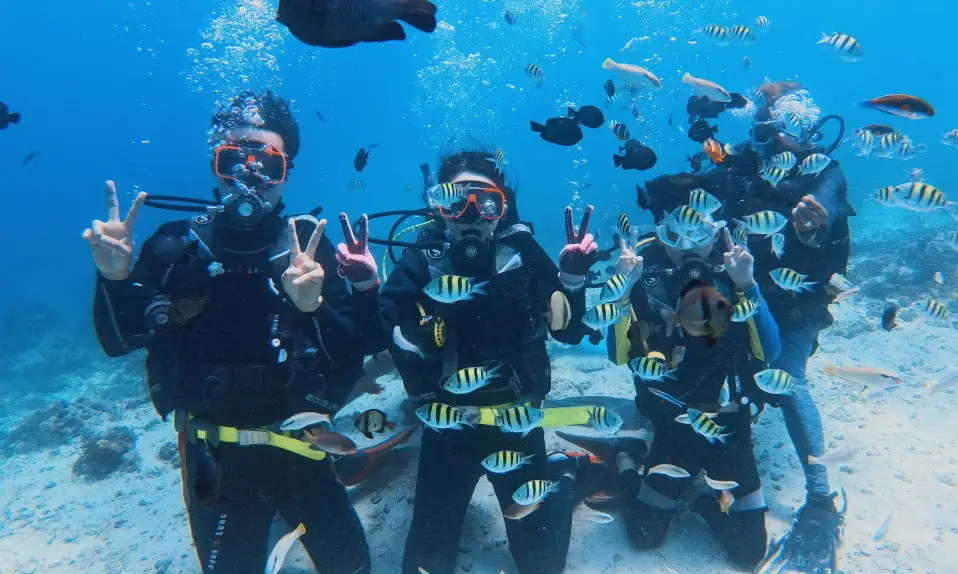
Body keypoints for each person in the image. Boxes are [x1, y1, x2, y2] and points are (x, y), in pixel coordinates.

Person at [86, 89, 383, 574]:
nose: (250, 175)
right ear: (215, 167)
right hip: (211, 452)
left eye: (268, 164)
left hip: (302, 444)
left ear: (286, 173)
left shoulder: (307, 245)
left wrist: (313, 307)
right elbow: (119, 342)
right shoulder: (176, 244)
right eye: (233, 159)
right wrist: (113, 279)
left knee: (350, 566)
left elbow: (353, 348)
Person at [377, 149, 596, 574]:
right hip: (446, 432)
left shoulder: (523, 253)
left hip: (517, 424)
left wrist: (571, 280)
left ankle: (566, 477)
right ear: (439, 209)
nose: (472, 214)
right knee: (425, 565)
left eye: (487, 201)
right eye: (457, 201)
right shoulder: (424, 258)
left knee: (542, 565)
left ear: (502, 207)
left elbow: (567, 331)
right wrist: (365, 284)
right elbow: (379, 324)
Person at [695, 81, 855, 570]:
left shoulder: (822, 170)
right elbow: (705, 197)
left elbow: (827, 202)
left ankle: (822, 499)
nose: (770, 137)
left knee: (786, 379)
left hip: (794, 308)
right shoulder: (742, 163)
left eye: (778, 126)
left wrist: (816, 220)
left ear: (802, 126)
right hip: (737, 298)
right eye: (762, 127)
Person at [603, 178, 782, 571]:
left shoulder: (735, 270)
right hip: (674, 421)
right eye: (674, 234)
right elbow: (619, 355)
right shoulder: (644, 281)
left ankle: (703, 498)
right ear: (660, 234)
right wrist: (620, 290)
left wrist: (747, 285)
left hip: (731, 423)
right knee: (643, 536)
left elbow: (770, 351)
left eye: (698, 231)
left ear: (714, 231)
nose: (687, 247)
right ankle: (628, 459)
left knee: (750, 553)